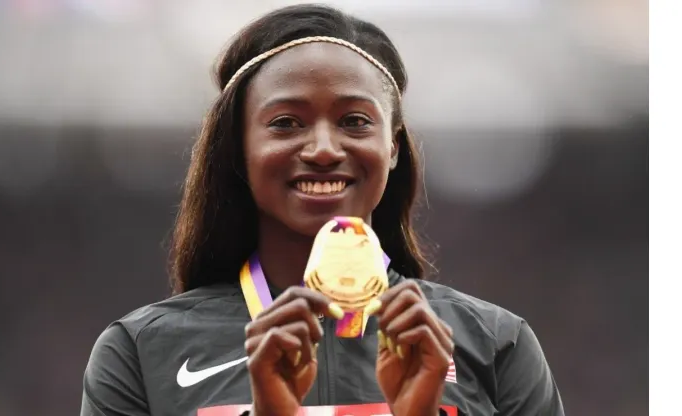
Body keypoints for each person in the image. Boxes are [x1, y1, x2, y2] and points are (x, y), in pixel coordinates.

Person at [80, 4, 564, 416]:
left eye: (355, 121)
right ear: (237, 149)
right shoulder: (141, 352)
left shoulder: (496, 345)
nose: (325, 148)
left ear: (392, 147)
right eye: (287, 123)